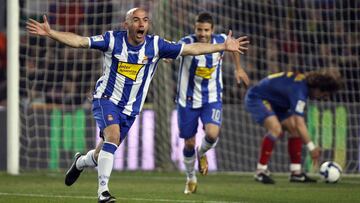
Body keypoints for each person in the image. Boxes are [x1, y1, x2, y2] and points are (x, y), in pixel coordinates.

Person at [26, 8, 249, 202]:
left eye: (145, 20)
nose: (141, 24)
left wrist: (222, 46)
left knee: (101, 152)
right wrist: (51, 33)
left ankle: (81, 162)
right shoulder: (112, 40)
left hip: (130, 109)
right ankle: (103, 192)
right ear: (127, 24)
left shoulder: (155, 45)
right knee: (112, 137)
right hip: (106, 99)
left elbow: (192, 49)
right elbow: (80, 41)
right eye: (136, 20)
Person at [175, 12, 250, 194]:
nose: (202, 33)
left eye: (206, 30)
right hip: (187, 100)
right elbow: (172, 53)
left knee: (212, 134)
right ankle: (190, 177)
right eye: (199, 29)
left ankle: (202, 153)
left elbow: (232, 49)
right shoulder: (186, 42)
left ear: (212, 30)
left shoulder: (222, 40)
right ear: (195, 28)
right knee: (189, 143)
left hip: (212, 98)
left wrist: (238, 69)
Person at [244, 68, 343, 184]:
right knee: (276, 128)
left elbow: (297, 125)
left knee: (294, 130)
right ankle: (260, 171)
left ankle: (296, 173)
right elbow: (299, 122)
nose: (321, 98)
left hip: (276, 103)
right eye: (323, 94)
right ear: (318, 89)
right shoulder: (300, 90)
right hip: (258, 98)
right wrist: (312, 148)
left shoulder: (301, 85)